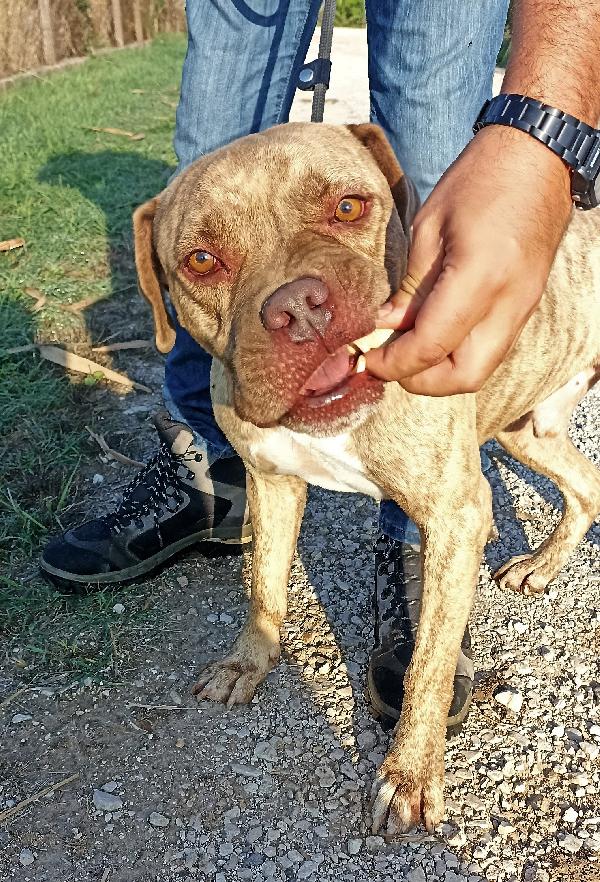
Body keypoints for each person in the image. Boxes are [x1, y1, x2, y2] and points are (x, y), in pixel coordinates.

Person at [41, 1, 600, 732]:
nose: (298, 307)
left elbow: (469, 516)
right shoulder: (236, 382)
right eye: (205, 262)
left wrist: (541, 139)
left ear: (388, 198)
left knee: (434, 132)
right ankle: (217, 505)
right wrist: (258, 637)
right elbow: (279, 478)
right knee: (209, 134)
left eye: (345, 210)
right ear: (163, 291)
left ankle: (415, 570)